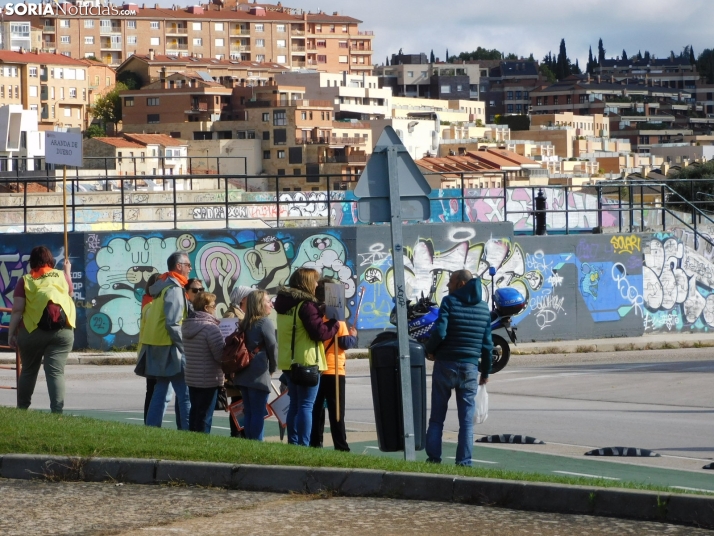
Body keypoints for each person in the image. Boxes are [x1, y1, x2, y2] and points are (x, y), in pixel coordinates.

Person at [424, 269, 492, 467]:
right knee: (466, 422)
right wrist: (485, 373)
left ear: (461, 283)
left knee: (437, 418)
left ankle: (434, 459)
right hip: (470, 368)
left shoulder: (449, 302)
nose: (447, 285)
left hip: (445, 364)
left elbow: (441, 331)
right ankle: (464, 462)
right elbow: (487, 345)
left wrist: (430, 350)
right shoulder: (483, 308)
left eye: (451, 281)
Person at [274, 268, 339, 446]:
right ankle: (304, 444)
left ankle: (294, 443)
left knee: (295, 403)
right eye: (315, 281)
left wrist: (318, 311)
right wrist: (334, 323)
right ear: (307, 283)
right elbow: (320, 333)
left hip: (288, 360)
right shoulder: (306, 305)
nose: (317, 284)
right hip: (307, 361)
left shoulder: (284, 303)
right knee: (306, 406)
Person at [7, 246, 76, 414]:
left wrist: (11, 334)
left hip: (32, 331)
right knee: (55, 373)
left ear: (32, 262)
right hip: (63, 331)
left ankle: (22, 410)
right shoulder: (61, 276)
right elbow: (70, 293)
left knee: (29, 371)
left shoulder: (26, 280)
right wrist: (67, 270)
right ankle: (57, 412)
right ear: (51, 260)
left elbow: (17, 310)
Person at [136, 251, 192, 430]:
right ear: (179, 266)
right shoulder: (174, 289)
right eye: (188, 265)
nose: (190, 268)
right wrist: (186, 348)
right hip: (171, 348)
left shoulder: (161, 287)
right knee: (184, 394)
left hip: (157, 347)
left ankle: (152, 429)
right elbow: (173, 324)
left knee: (160, 391)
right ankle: (188, 433)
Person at [310, 278, 357, 452]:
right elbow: (344, 342)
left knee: (316, 411)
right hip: (334, 368)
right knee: (337, 412)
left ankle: (315, 443)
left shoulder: (313, 316)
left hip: (318, 368)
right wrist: (354, 335)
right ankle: (341, 445)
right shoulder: (337, 318)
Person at [231, 290, 277, 440]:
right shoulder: (265, 323)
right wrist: (272, 368)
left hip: (243, 373)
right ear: (259, 304)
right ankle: (257, 444)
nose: (271, 303)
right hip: (258, 373)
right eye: (267, 301)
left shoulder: (244, 322)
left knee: (249, 411)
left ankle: (250, 444)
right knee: (258, 412)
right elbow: (272, 348)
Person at [182, 292, 225, 433]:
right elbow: (220, 355)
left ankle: (192, 441)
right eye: (213, 306)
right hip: (209, 378)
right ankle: (202, 444)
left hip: (192, 376)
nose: (215, 308)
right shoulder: (211, 328)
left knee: (195, 412)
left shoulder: (188, 325)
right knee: (205, 415)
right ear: (206, 308)